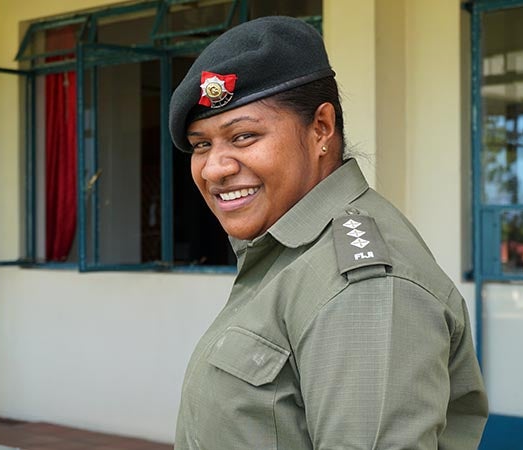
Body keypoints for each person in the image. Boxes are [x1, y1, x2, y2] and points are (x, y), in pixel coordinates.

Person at [169, 16, 488, 450]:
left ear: (321, 127)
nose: (214, 168)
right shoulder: (287, 253)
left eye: (243, 136)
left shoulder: (363, 287)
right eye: (201, 144)